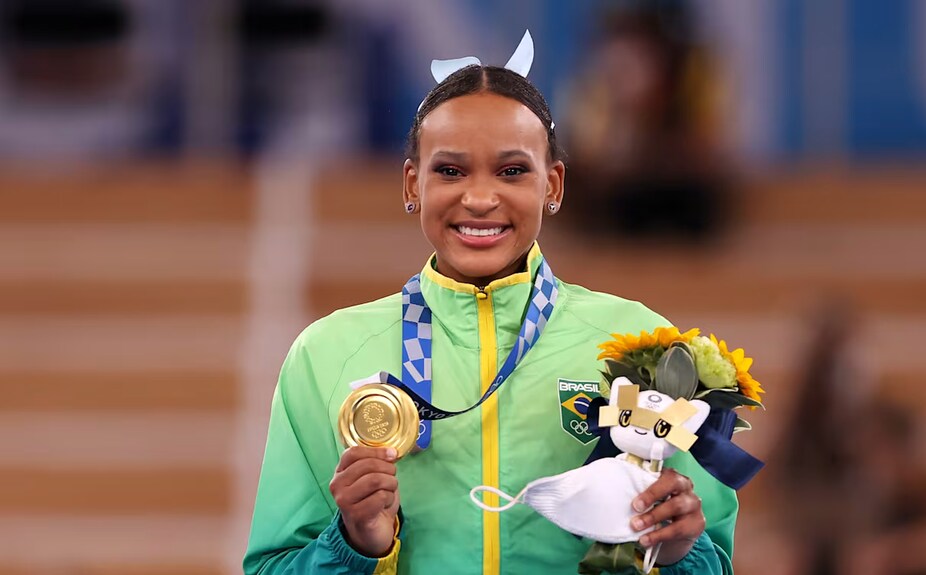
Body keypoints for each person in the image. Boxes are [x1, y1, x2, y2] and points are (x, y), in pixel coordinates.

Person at [243, 40, 738, 574]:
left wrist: (679, 554)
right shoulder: (326, 355)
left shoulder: (647, 347)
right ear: (414, 183)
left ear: (553, 183)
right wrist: (354, 545)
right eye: (451, 171)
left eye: (511, 171)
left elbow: (712, 558)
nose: (479, 198)